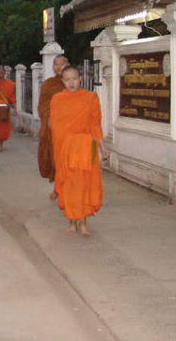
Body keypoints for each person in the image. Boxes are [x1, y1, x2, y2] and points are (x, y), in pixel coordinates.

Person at [51, 66, 109, 236]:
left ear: (80, 78)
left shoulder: (90, 97)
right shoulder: (57, 99)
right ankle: (71, 222)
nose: (71, 82)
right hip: (66, 148)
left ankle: (83, 223)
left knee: (85, 184)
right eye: (67, 79)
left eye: (74, 78)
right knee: (69, 184)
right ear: (62, 81)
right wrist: (59, 151)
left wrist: (102, 146)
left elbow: (95, 123)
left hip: (85, 147)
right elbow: (55, 128)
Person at [38, 55, 69, 200]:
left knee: (68, 161)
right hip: (53, 130)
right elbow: (43, 106)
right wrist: (49, 117)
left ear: (68, 65)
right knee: (56, 160)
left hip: (70, 129)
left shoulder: (71, 83)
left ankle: (65, 189)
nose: (58, 67)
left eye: (62, 64)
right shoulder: (48, 85)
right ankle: (58, 188)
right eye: (56, 64)